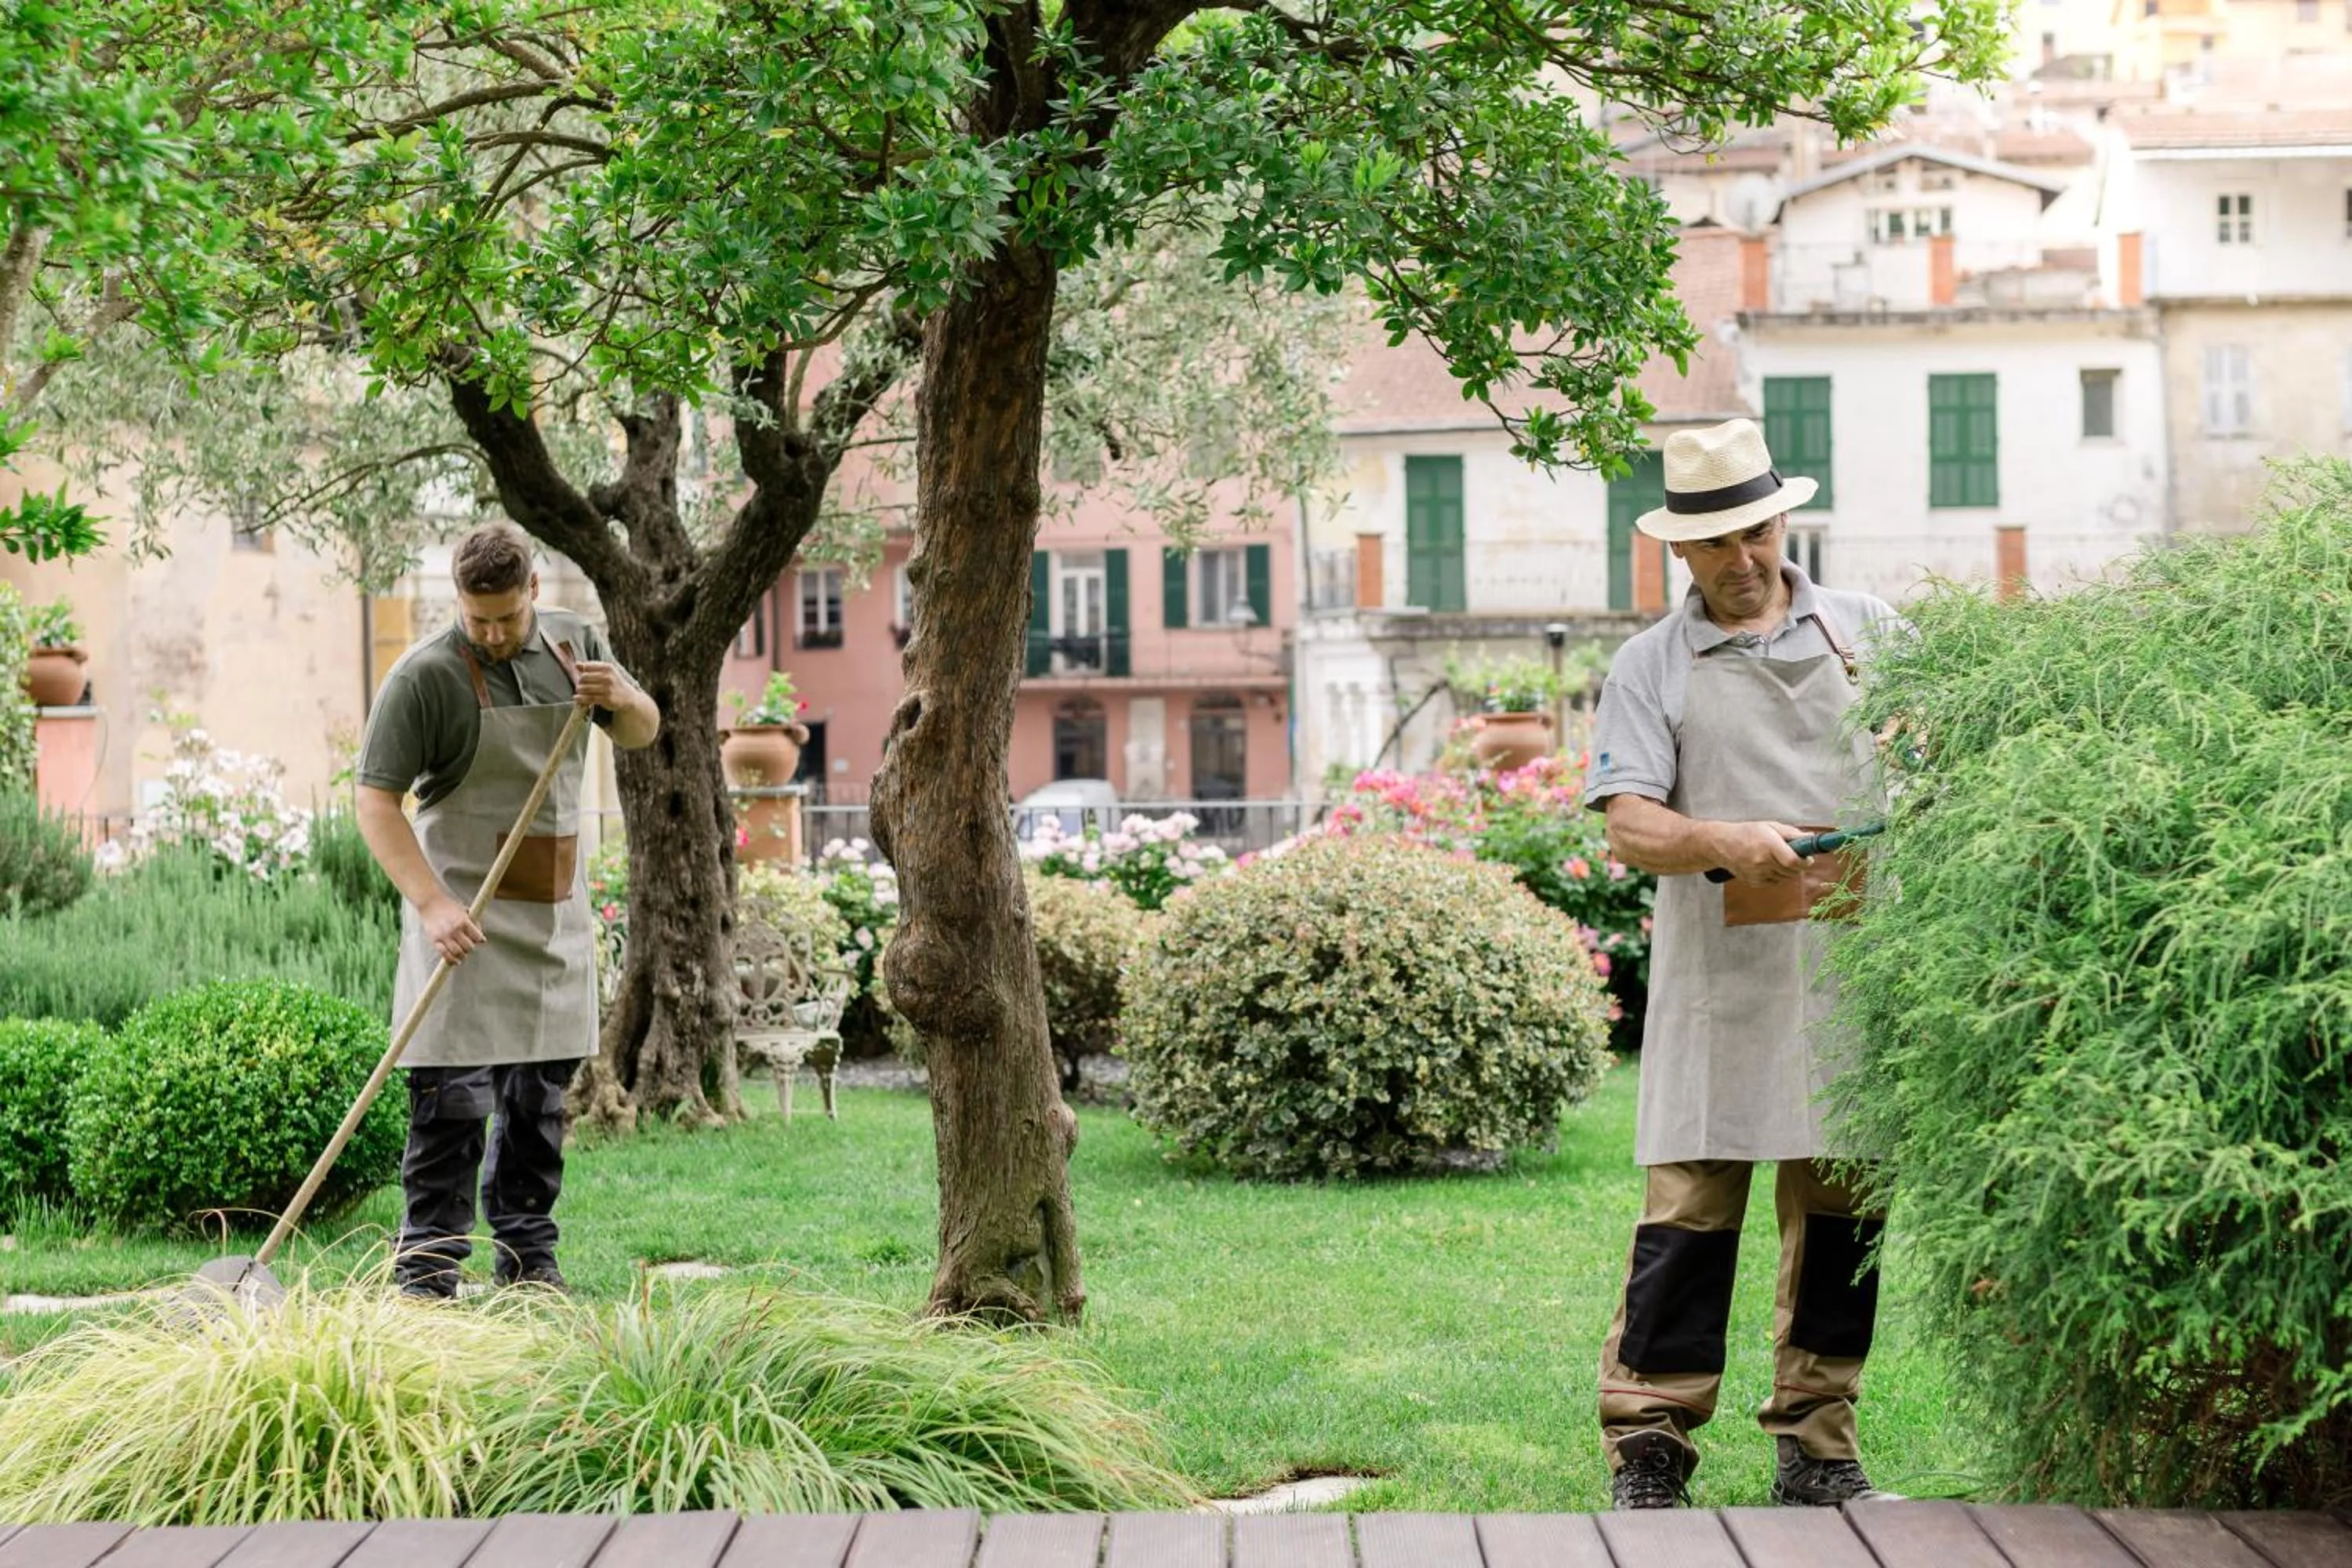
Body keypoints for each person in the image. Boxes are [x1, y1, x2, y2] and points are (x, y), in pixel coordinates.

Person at [1582, 418, 1902, 1509]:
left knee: (1844, 1221)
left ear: (1782, 522)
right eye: (1714, 542)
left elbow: (1942, 756)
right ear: (1679, 548)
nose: (1741, 559)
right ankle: (1649, 1443)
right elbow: (1628, 823)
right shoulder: (1650, 665)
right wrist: (1723, 836)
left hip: (1854, 970)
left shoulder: (1874, 634)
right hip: (1719, 983)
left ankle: (1817, 1445)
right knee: (1686, 1222)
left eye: (1755, 533)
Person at [355, 524, 660, 1297]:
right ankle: (427, 1274)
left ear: (534, 590)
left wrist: (621, 697)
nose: (491, 634)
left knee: (537, 1110)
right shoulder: (423, 676)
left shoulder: (573, 645)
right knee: (451, 1109)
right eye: (476, 619)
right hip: (462, 924)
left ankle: (529, 1266)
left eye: (506, 617)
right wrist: (432, 904)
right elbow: (374, 801)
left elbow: (642, 728)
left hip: (550, 924)